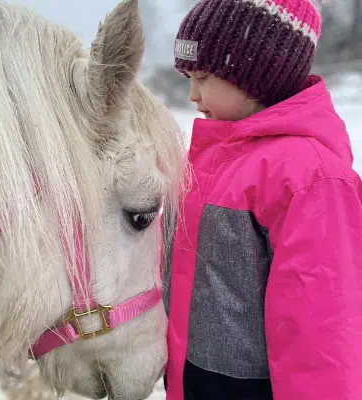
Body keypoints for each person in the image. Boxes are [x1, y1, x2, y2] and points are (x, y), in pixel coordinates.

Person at [164, 0, 362, 399]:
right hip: (194, 382)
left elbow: (321, 329)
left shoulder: (309, 176)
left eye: (202, 77)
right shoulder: (210, 161)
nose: (191, 94)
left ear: (257, 74)